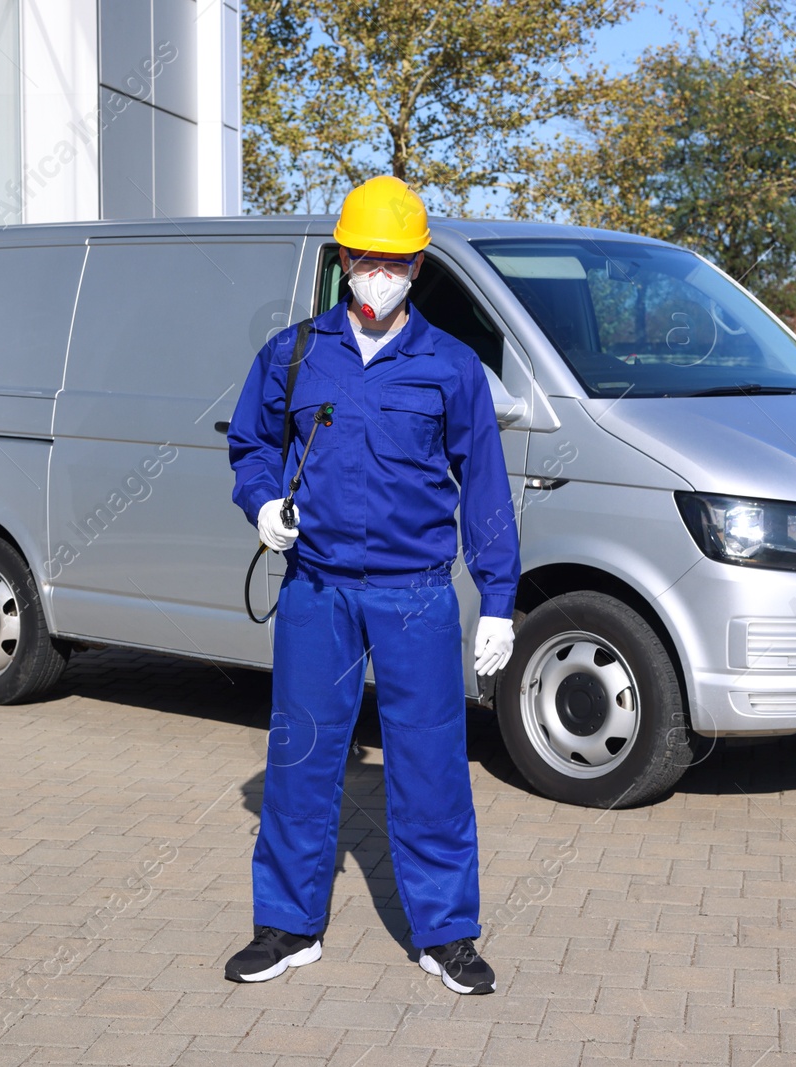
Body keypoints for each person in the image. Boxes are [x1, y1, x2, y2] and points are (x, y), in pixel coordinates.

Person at [223, 176, 520, 995]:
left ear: (417, 268)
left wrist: (498, 598)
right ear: (342, 258)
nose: (378, 272)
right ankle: (286, 925)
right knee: (302, 756)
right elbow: (250, 444)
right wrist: (263, 505)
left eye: (394, 261)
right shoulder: (293, 352)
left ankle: (447, 934)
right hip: (316, 590)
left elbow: (486, 489)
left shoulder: (453, 367)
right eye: (365, 257)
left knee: (430, 764)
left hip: (416, 593)